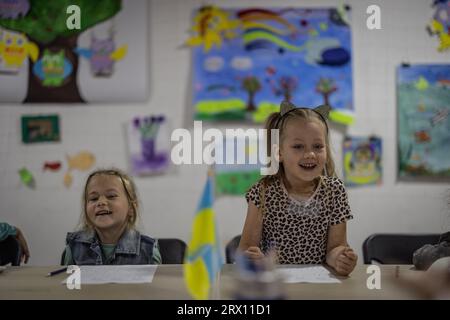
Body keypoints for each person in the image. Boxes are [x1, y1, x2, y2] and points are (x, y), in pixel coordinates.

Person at [239, 100, 357, 276]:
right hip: (274, 285)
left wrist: (340, 258)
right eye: (298, 146)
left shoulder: (334, 191)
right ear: (279, 152)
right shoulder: (263, 192)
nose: (310, 154)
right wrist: (252, 257)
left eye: (317, 146)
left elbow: (335, 248)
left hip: (318, 288)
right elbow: (246, 249)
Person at [63, 168, 161, 265]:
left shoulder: (149, 251)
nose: (100, 202)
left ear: (131, 207)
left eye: (111, 196)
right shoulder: (73, 248)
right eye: (94, 198)